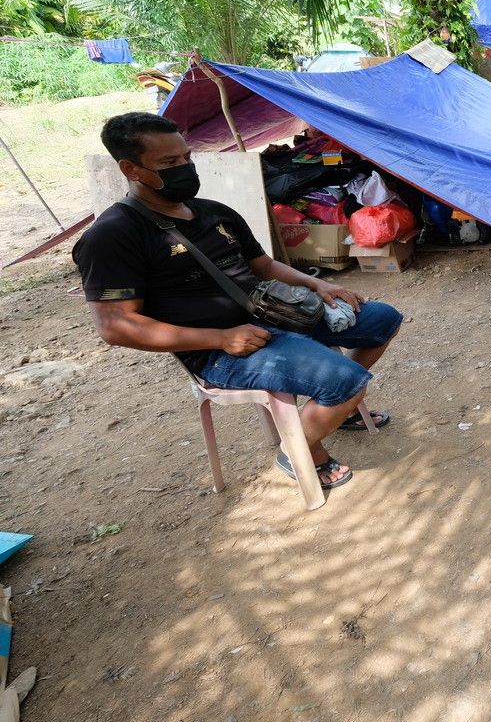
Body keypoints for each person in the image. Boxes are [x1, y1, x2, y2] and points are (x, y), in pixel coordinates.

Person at [72, 112, 403, 490]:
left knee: (382, 319)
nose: (184, 168)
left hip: (273, 313)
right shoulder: (113, 235)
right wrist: (220, 338)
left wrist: (318, 288)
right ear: (130, 168)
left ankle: (330, 407)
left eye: (186, 158)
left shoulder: (215, 213)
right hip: (218, 350)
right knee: (347, 381)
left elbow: (262, 264)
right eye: (169, 163)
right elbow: (116, 327)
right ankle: (297, 449)